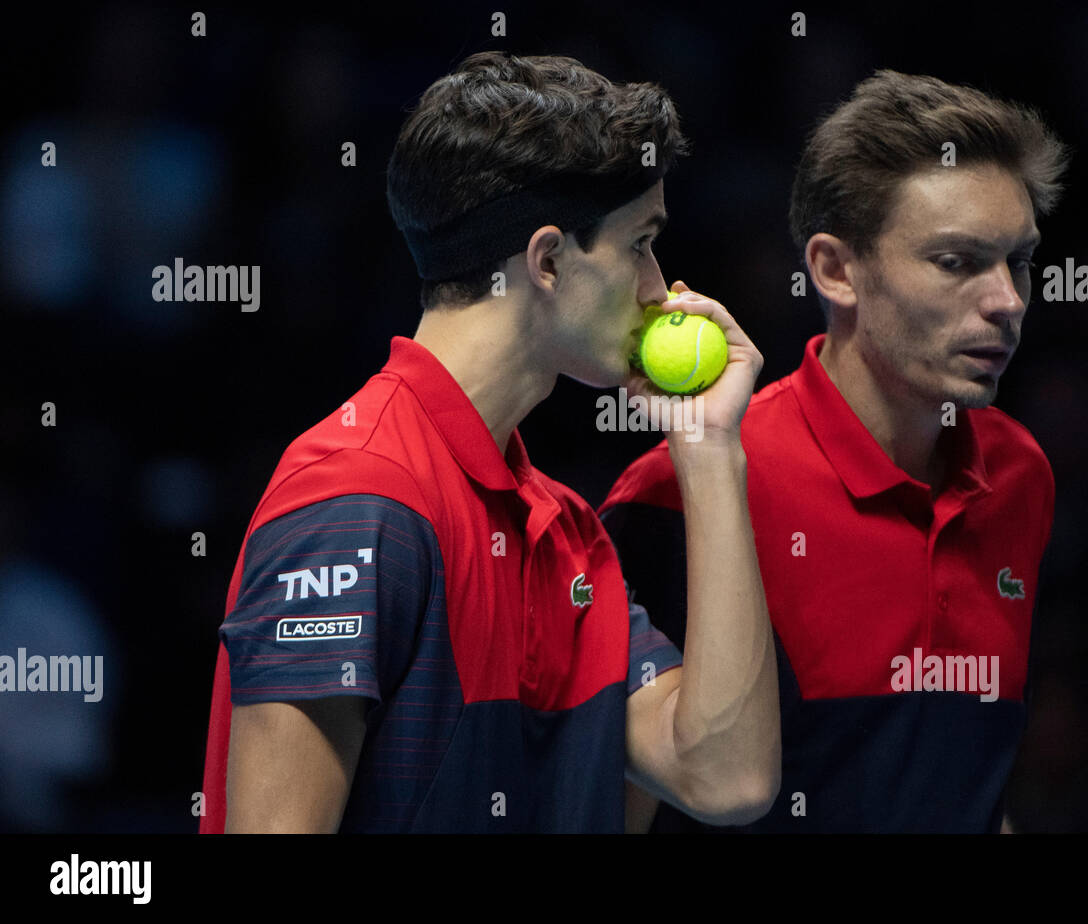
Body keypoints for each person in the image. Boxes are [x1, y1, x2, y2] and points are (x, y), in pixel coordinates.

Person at [197, 51, 779, 833]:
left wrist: (709, 451)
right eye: (641, 244)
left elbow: (726, 779)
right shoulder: (353, 501)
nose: (660, 289)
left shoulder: (564, 530)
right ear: (546, 260)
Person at [601, 69, 1070, 832]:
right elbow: (615, 806)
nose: (1008, 301)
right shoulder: (682, 488)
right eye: (956, 263)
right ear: (835, 269)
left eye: (1016, 261)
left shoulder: (1021, 475)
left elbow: (972, 780)